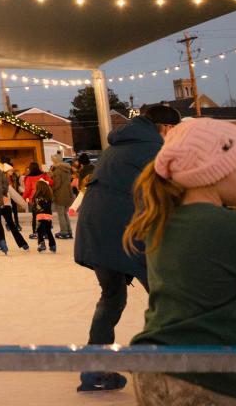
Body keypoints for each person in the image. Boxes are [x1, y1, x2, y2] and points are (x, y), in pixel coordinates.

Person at [127, 118, 236, 404]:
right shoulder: (231, 228)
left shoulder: (162, 221)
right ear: (214, 172)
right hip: (210, 372)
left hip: (154, 364)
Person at [73, 103, 181, 393]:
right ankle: (170, 369)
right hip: (128, 236)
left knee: (111, 298)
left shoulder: (116, 147)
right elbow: (174, 193)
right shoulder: (153, 149)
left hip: (96, 234)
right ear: (167, 128)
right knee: (168, 300)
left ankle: (95, 370)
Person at [23, 161, 52, 238]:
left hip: (34, 199)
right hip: (45, 198)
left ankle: (36, 233)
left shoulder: (28, 178)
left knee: (35, 216)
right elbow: (51, 182)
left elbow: (28, 189)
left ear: (30, 168)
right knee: (45, 216)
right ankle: (45, 233)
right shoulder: (44, 175)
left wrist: (25, 197)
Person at [50, 156, 75, 239]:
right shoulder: (67, 170)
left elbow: (57, 184)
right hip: (68, 194)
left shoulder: (57, 171)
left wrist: (51, 189)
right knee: (65, 213)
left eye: (53, 160)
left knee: (61, 214)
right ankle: (69, 231)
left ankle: (64, 231)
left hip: (60, 194)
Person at [32, 179, 57, 253]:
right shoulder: (49, 197)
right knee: (48, 231)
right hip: (48, 216)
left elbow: (35, 207)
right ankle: (53, 245)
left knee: (39, 231)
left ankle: (41, 244)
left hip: (40, 216)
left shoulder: (36, 197)